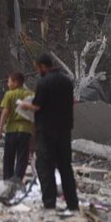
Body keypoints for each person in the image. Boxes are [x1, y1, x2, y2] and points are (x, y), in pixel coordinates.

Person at [19, 54, 79, 213]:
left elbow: (37, 106)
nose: (37, 70)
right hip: (64, 130)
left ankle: (49, 204)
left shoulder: (44, 82)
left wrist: (25, 105)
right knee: (65, 167)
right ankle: (72, 204)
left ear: (42, 66)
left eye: (37, 67)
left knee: (46, 167)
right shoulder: (67, 81)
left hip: (46, 131)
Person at [0, 72, 34, 182]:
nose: (8, 84)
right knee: (22, 157)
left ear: (16, 82)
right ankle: (17, 180)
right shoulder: (31, 94)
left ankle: (7, 180)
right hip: (26, 130)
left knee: (9, 156)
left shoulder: (9, 94)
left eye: (9, 81)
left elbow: (5, 112)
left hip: (11, 130)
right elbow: (34, 115)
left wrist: (0, 130)